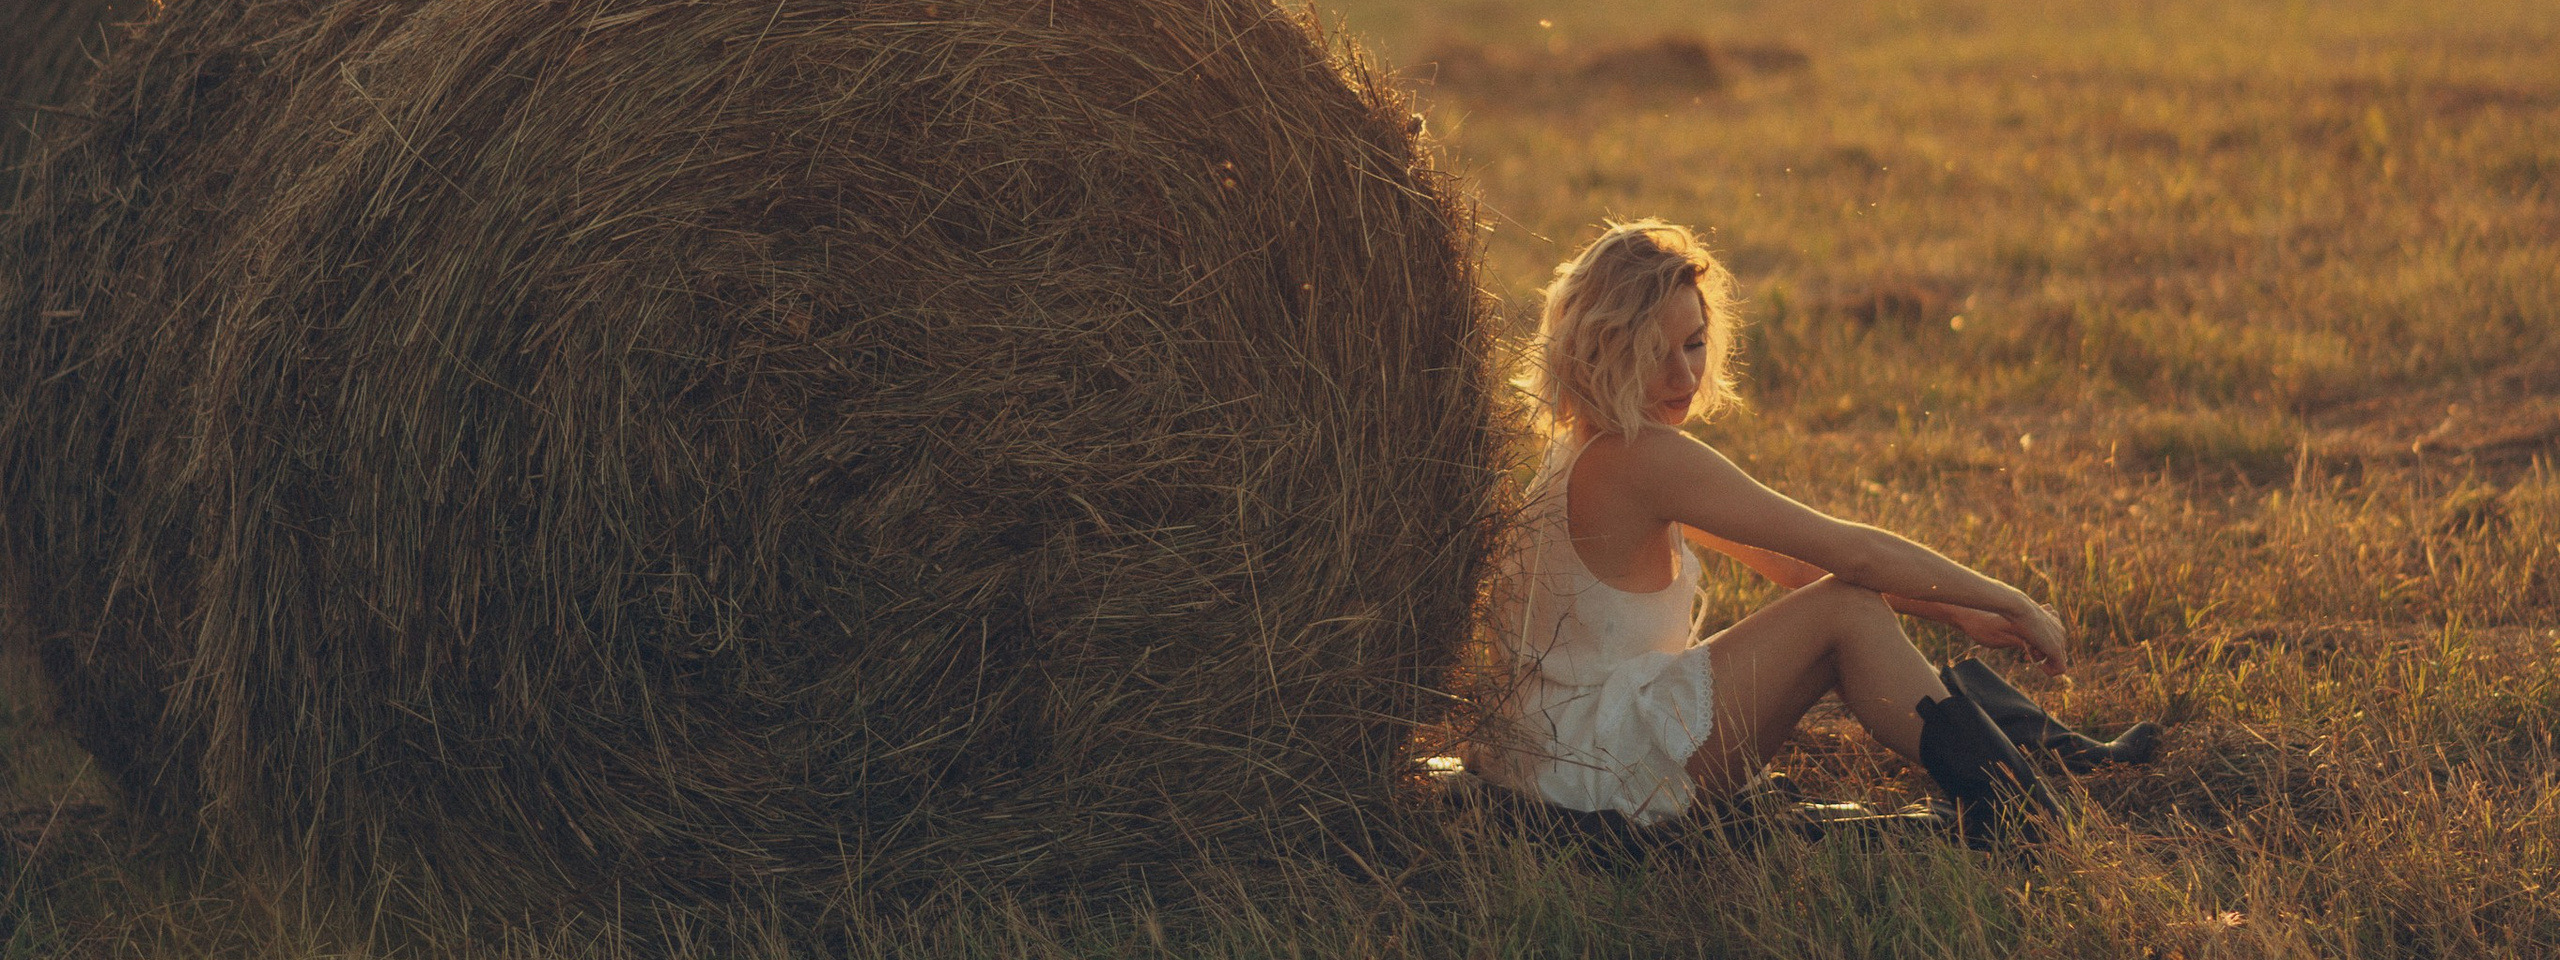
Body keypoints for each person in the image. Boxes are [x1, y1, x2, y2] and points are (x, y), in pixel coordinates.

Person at [1469, 219, 2158, 845]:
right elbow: (1851, 553)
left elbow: (1796, 566)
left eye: (1695, 343)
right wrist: (2011, 599)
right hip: (1590, 773)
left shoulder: (1591, 447)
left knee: (1839, 603)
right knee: (1844, 611)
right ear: (1603, 350)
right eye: (1655, 352)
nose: (1684, 375)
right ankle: (2023, 813)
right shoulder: (1641, 458)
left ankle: (2027, 764)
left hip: (1557, 756)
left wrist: (1957, 610)